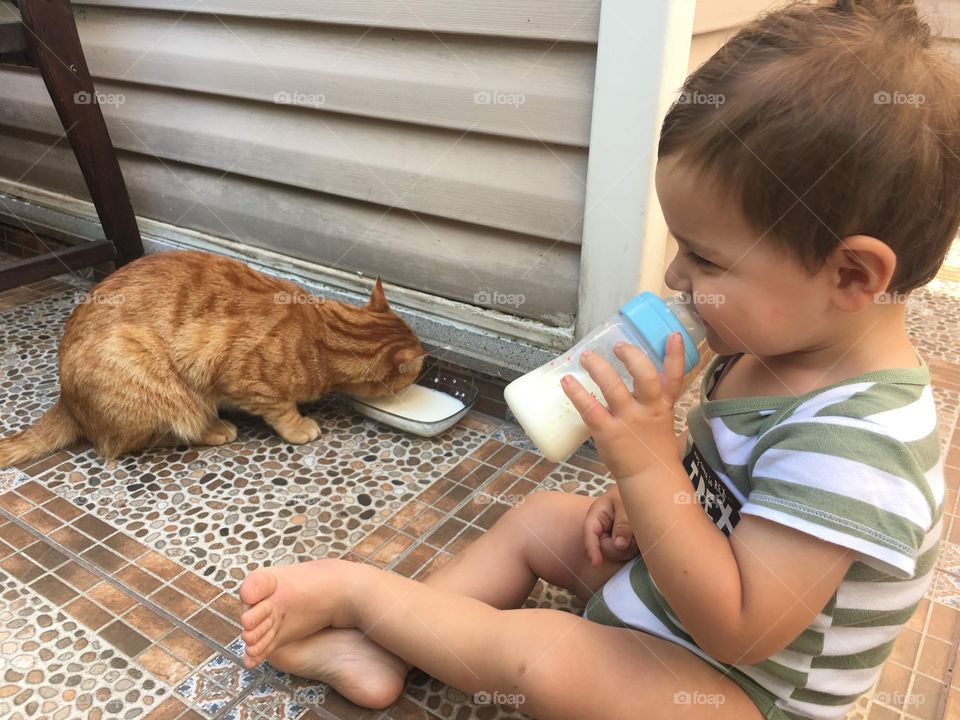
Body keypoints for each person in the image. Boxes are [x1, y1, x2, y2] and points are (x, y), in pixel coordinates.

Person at [237, 1, 960, 718]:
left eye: (706, 258)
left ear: (852, 277)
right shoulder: (773, 349)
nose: (676, 278)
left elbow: (742, 630)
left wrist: (644, 466)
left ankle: (362, 595)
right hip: (686, 598)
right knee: (544, 518)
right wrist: (653, 493)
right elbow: (726, 488)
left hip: (740, 692)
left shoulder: (859, 449)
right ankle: (389, 646)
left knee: (549, 658)